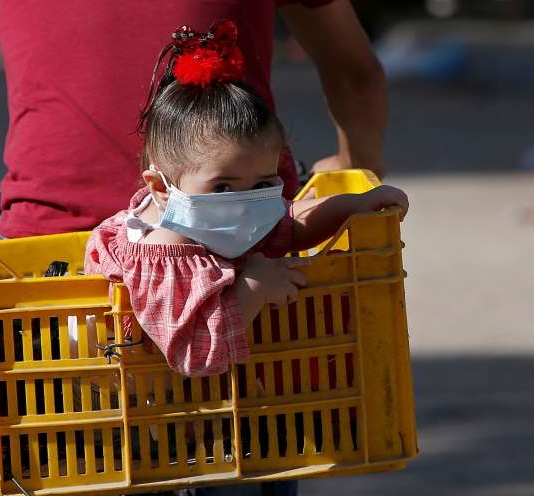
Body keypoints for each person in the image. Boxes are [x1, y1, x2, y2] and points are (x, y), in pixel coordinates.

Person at [0, 1, 389, 496]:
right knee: (252, 451)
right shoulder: (255, 214)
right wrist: (357, 171)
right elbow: (354, 72)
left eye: (261, 184)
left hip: (50, 235)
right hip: (237, 246)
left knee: (8, 438)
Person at [85, 20, 408, 379]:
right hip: (162, 414)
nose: (245, 202)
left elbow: (290, 223)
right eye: (223, 187)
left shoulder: (214, 220)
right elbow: (194, 356)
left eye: (263, 183)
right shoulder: (165, 253)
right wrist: (253, 288)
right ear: (161, 188)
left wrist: (351, 206)